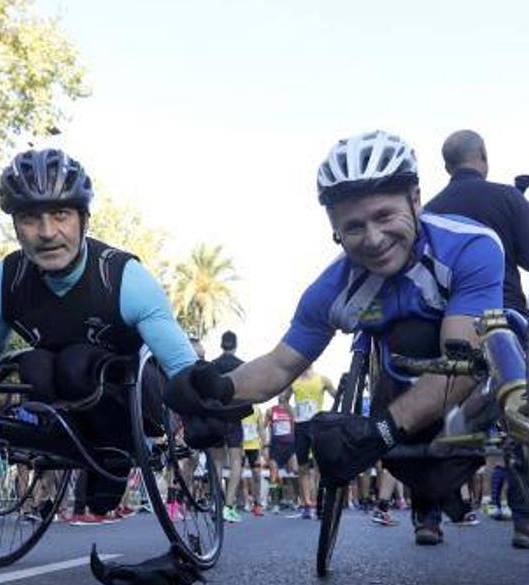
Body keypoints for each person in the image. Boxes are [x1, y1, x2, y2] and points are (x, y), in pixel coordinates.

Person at [174, 130, 508, 546]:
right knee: (398, 344)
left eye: (385, 216)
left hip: (470, 394)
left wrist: (380, 431)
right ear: (334, 229)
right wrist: (216, 388)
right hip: (398, 384)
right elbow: (280, 365)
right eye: (353, 227)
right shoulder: (332, 290)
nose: (372, 238)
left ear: (416, 200)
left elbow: (462, 367)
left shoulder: (470, 247)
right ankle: (427, 488)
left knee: (430, 336)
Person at [0, 148, 200, 549]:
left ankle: (114, 458)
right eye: (30, 218)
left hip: (133, 391)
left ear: (83, 219)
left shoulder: (124, 278)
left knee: (77, 362)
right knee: (36, 364)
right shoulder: (2, 282)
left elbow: (179, 362)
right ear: (16, 226)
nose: (46, 232)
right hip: (58, 389)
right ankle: (65, 448)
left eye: (60, 215)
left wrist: (204, 408)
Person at [424, 130, 529, 315]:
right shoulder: (508, 196)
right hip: (505, 314)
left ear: (447, 167)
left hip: (451, 322)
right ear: (483, 155)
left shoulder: (429, 212)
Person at [210, 330, 246, 522]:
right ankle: (229, 506)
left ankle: (216, 503)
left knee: (216, 462)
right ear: (235, 344)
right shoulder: (243, 365)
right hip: (234, 415)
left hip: (216, 415)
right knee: (235, 462)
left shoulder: (213, 365)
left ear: (221, 344)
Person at [289, 366, 335, 519]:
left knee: (319, 467)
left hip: (317, 425)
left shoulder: (322, 379)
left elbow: (337, 396)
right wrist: (292, 413)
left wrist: (330, 415)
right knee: (303, 468)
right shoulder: (293, 380)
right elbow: (283, 399)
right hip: (301, 426)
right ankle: (307, 505)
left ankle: (318, 503)